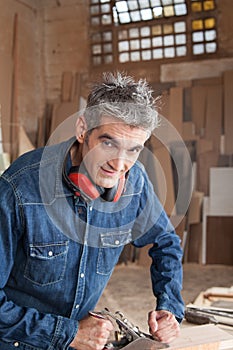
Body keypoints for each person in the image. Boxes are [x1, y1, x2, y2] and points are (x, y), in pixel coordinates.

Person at [0, 72, 184, 350]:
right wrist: (68, 333)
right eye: (108, 143)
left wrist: (169, 307)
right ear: (82, 129)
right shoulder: (19, 188)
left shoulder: (135, 183)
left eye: (133, 150)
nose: (119, 164)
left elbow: (166, 243)